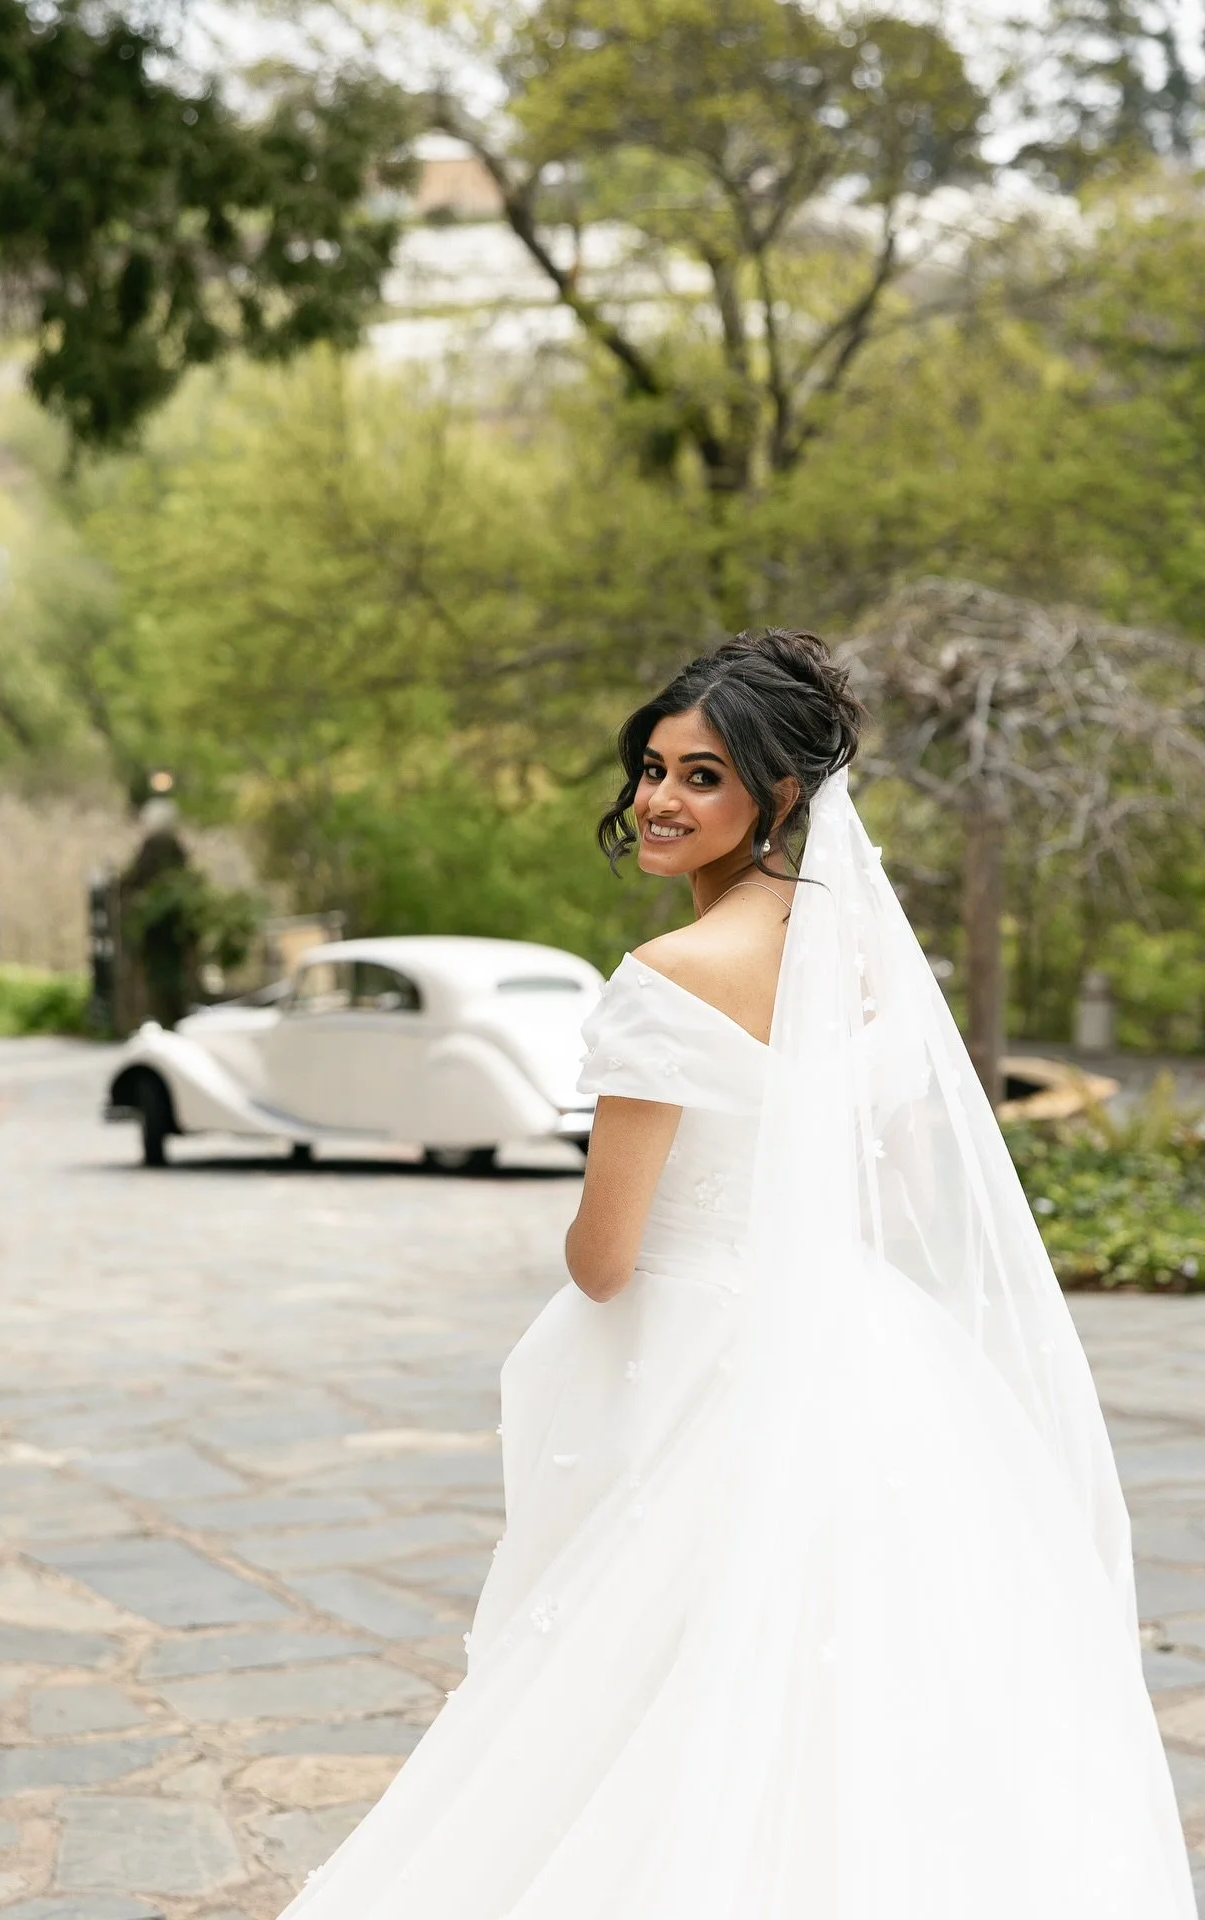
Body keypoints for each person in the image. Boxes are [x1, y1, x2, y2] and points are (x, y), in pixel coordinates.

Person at [279, 631, 1193, 1918]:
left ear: (780, 794)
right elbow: (900, 1180)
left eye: (701, 776)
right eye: (653, 768)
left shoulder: (668, 976)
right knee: (869, 1696)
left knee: (649, 1680)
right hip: (870, 1359)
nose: (659, 799)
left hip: (700, 1365)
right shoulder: (862, 956)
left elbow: (605, 1262)